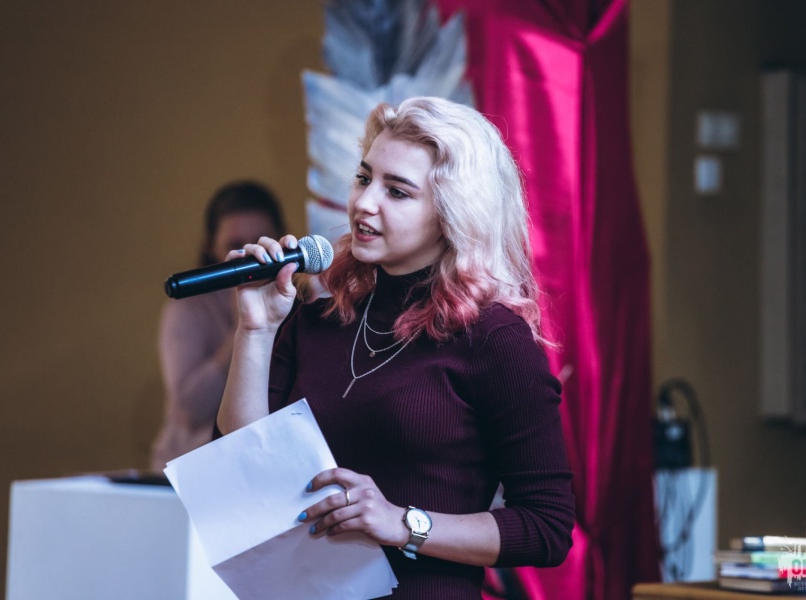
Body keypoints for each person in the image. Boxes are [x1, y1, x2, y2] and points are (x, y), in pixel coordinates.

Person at [217, 97, 575, 599]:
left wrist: (403, 523)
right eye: (364, 178)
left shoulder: (493, 340)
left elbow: (547, 526)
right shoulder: (319, 319)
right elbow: (239, 465)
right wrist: (255, 331)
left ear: (452, 213)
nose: (365, 203)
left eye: (397, 191)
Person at [150, 181, 286, 471]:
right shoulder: (188, 309)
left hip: (258, 468)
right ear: (212, 247)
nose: (252, 255)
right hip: (192, 469)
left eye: (260, 240)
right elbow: (189, 409)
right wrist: (243, 332)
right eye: (235, 245)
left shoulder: (295, 300)